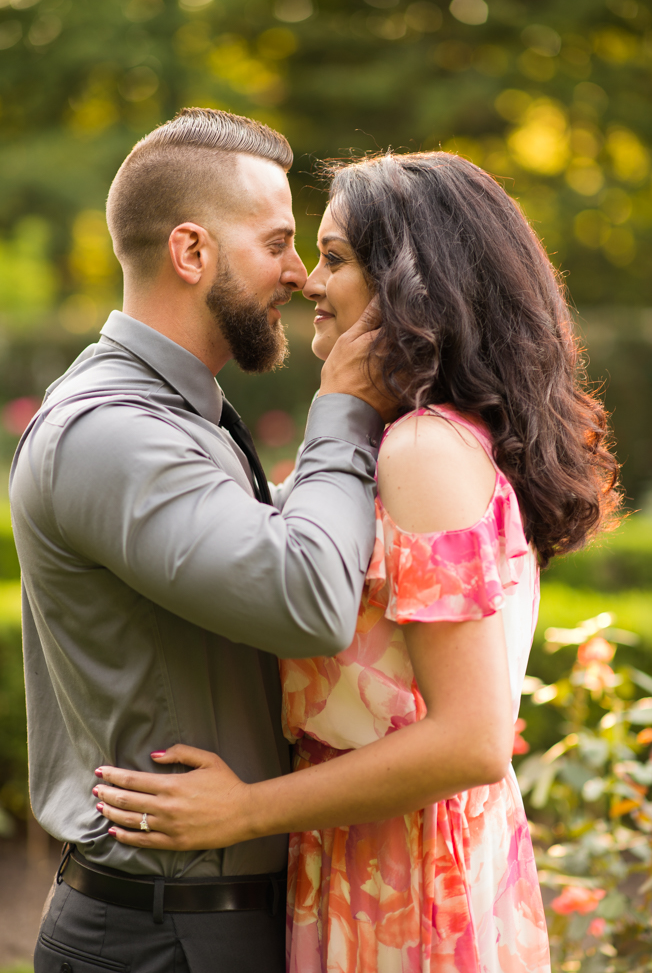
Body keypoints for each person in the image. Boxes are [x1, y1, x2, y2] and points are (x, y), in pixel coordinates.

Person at [94, 151, 621, 972]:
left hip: (406, 879)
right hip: (361, 856)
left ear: (413, 287)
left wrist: (241, 813)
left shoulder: (423, 450)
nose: (307, 279)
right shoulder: (397, 442)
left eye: (335, 258)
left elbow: (472, 740)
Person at [9, 108, 390, 973]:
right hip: (166, 937)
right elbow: (308, 598)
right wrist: (344, 406)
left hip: (201, 919)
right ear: (191, 253)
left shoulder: (173, 414)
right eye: (278, 243)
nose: (298, 274)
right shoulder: (114, 432)